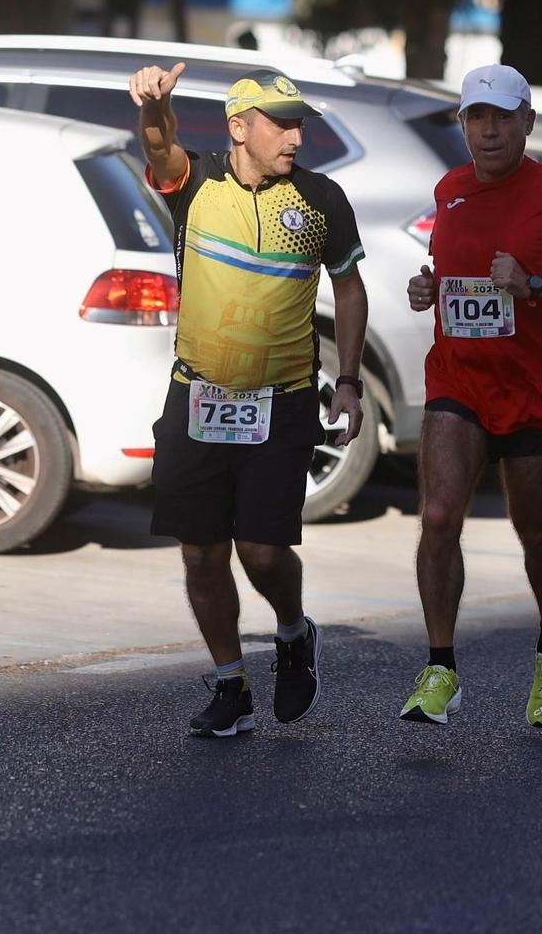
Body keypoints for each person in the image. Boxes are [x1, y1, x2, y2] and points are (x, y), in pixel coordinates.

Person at [130, 61, 369, 738]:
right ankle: (231, 684)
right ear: (239, 127)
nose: (296, 136)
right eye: (282, 123)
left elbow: (350, 289)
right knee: (202, 553)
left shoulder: (322, 199)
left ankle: (293, 634)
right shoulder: (196, 181)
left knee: (260, 551)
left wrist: (347, 382)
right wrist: (155, 108)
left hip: (283, 398)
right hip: (199, 397)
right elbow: (158, 148)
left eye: (300, 123)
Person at [399, 64, 542, 729]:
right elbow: (453, 274)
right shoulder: (451, 189)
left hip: (534, 390)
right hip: (460, 380)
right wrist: (430, 287)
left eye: (502, 117)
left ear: (528, 121)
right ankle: (441, 666)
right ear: (463, 124)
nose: (489, 130)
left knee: (535, 530)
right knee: (439, 515)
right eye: (477, 117)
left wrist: (534, 287)